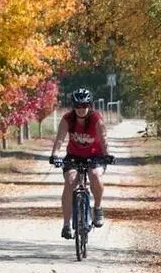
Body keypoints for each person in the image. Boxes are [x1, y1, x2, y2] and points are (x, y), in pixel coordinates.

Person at [49, 88, 114, 239]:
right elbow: (59, 139)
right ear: (73, 106)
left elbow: (103, 140)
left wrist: (107, 155)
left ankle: (97, 208)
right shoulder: (67, 119)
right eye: (78, 106)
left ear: (90, 105)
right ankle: (66, 224)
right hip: (74, 156)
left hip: (95, 156)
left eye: (84, 105)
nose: (81, 109)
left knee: (95, 175)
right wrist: (55, 155)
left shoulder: (96, 119)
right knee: (70, 181)